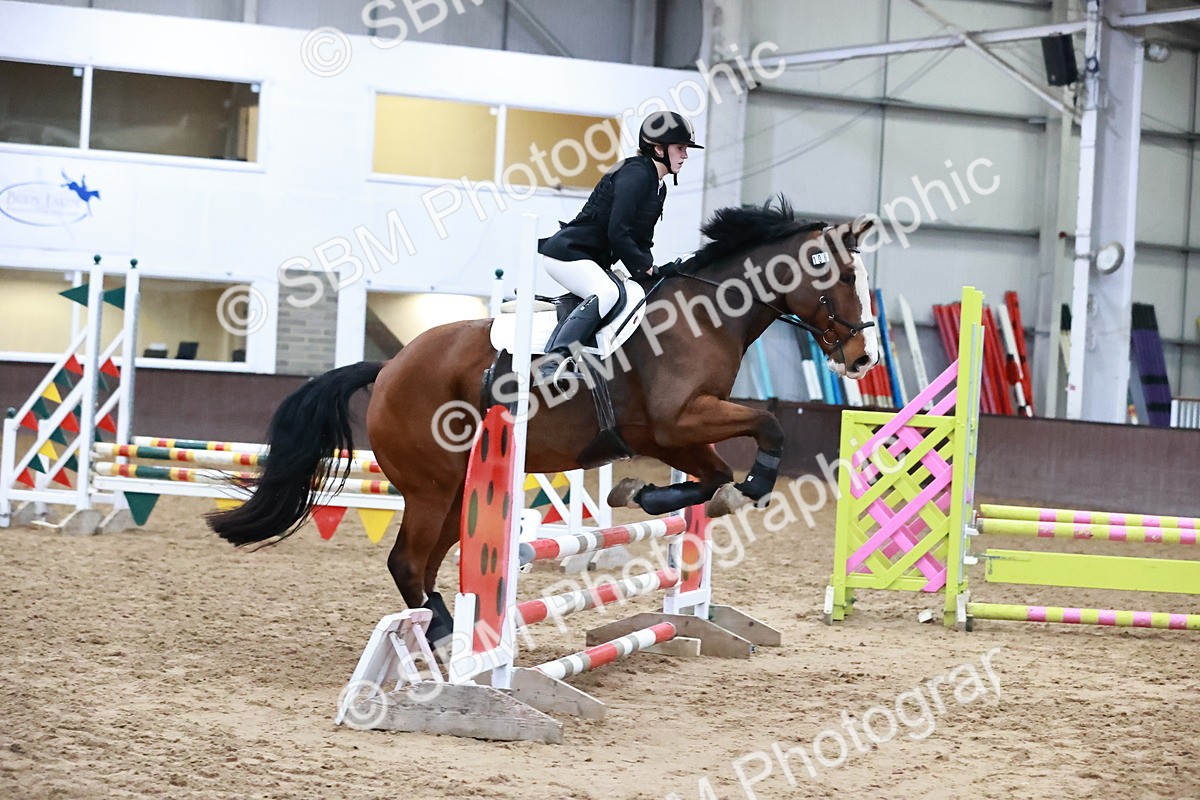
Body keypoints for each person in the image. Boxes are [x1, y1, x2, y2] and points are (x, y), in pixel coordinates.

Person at [534, 111, 703, 386]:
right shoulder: (635, 174)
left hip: (590, 258)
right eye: (681, 149)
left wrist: (651, 270)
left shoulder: (658, 186)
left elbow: (642, 241)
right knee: (607, 292)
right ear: (659, 149)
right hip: (568, 254)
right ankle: (553, 361)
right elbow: (618, 232)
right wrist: (644, 266)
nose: (685, 156)